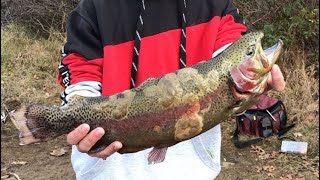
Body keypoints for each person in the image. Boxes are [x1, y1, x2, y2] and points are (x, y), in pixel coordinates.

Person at [57, 0, 286, 179]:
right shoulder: (90, 11)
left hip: (193, 171)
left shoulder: (214, 4)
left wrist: (253, 83)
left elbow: (231, 53)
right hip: (109, 170)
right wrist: (81, 125)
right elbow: (80, 76)